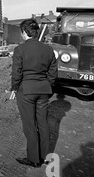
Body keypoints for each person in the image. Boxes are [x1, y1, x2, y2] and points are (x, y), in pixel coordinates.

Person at [9, 18, 58, 168]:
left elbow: (16, 73)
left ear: (24, 32)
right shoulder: (48, 49)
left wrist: (14, 88)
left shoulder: (20, 49)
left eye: (21, 32)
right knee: (43, 123)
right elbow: (53, 73)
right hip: (43, 91)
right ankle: (45, 157)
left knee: (30, 125)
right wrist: (46, 86)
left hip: (26, 91)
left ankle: (34, 159)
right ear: (36, 32)